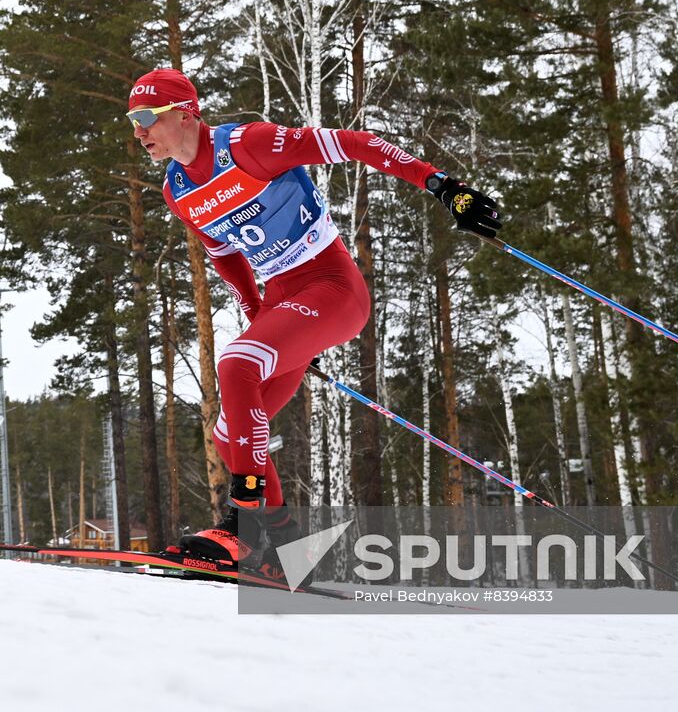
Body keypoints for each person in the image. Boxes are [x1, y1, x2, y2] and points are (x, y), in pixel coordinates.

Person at [126, 67, 501, 568]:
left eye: (147, 116)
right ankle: (286, 550)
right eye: (132, 119)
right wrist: (266, 323)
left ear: (186, 111)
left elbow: (357, 143)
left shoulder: (250, 144)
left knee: (236, 364)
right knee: (228, 431)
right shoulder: (176, 189)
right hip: (285, 303)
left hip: (333, 289)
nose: (138, 130)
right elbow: (226, 256)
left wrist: (443, 186)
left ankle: (244, 521)